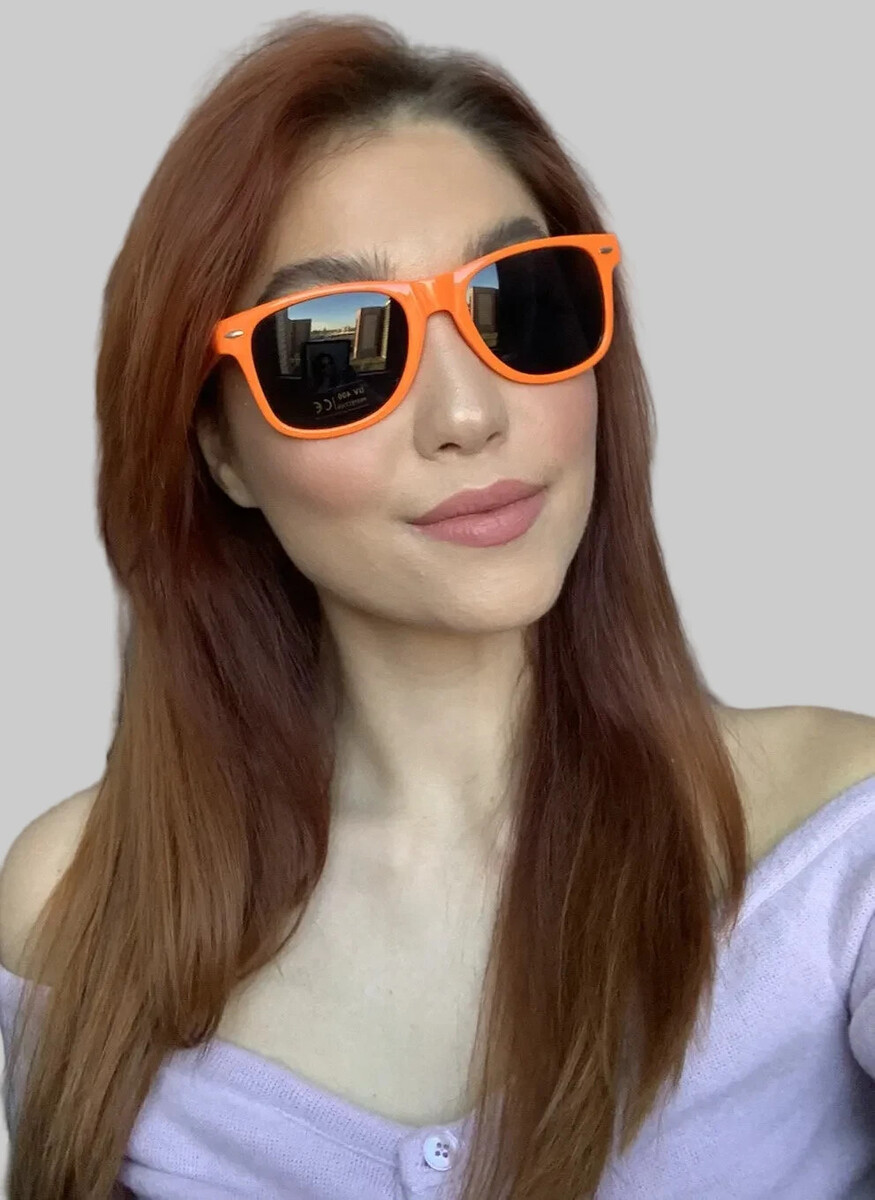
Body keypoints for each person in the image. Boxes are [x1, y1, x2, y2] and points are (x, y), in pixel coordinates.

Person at [1, 13, 873, 1200]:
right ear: (219, 449)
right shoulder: (76, 907)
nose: (466, 414)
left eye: (522, 303)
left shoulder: (835, 849)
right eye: (333, 352)